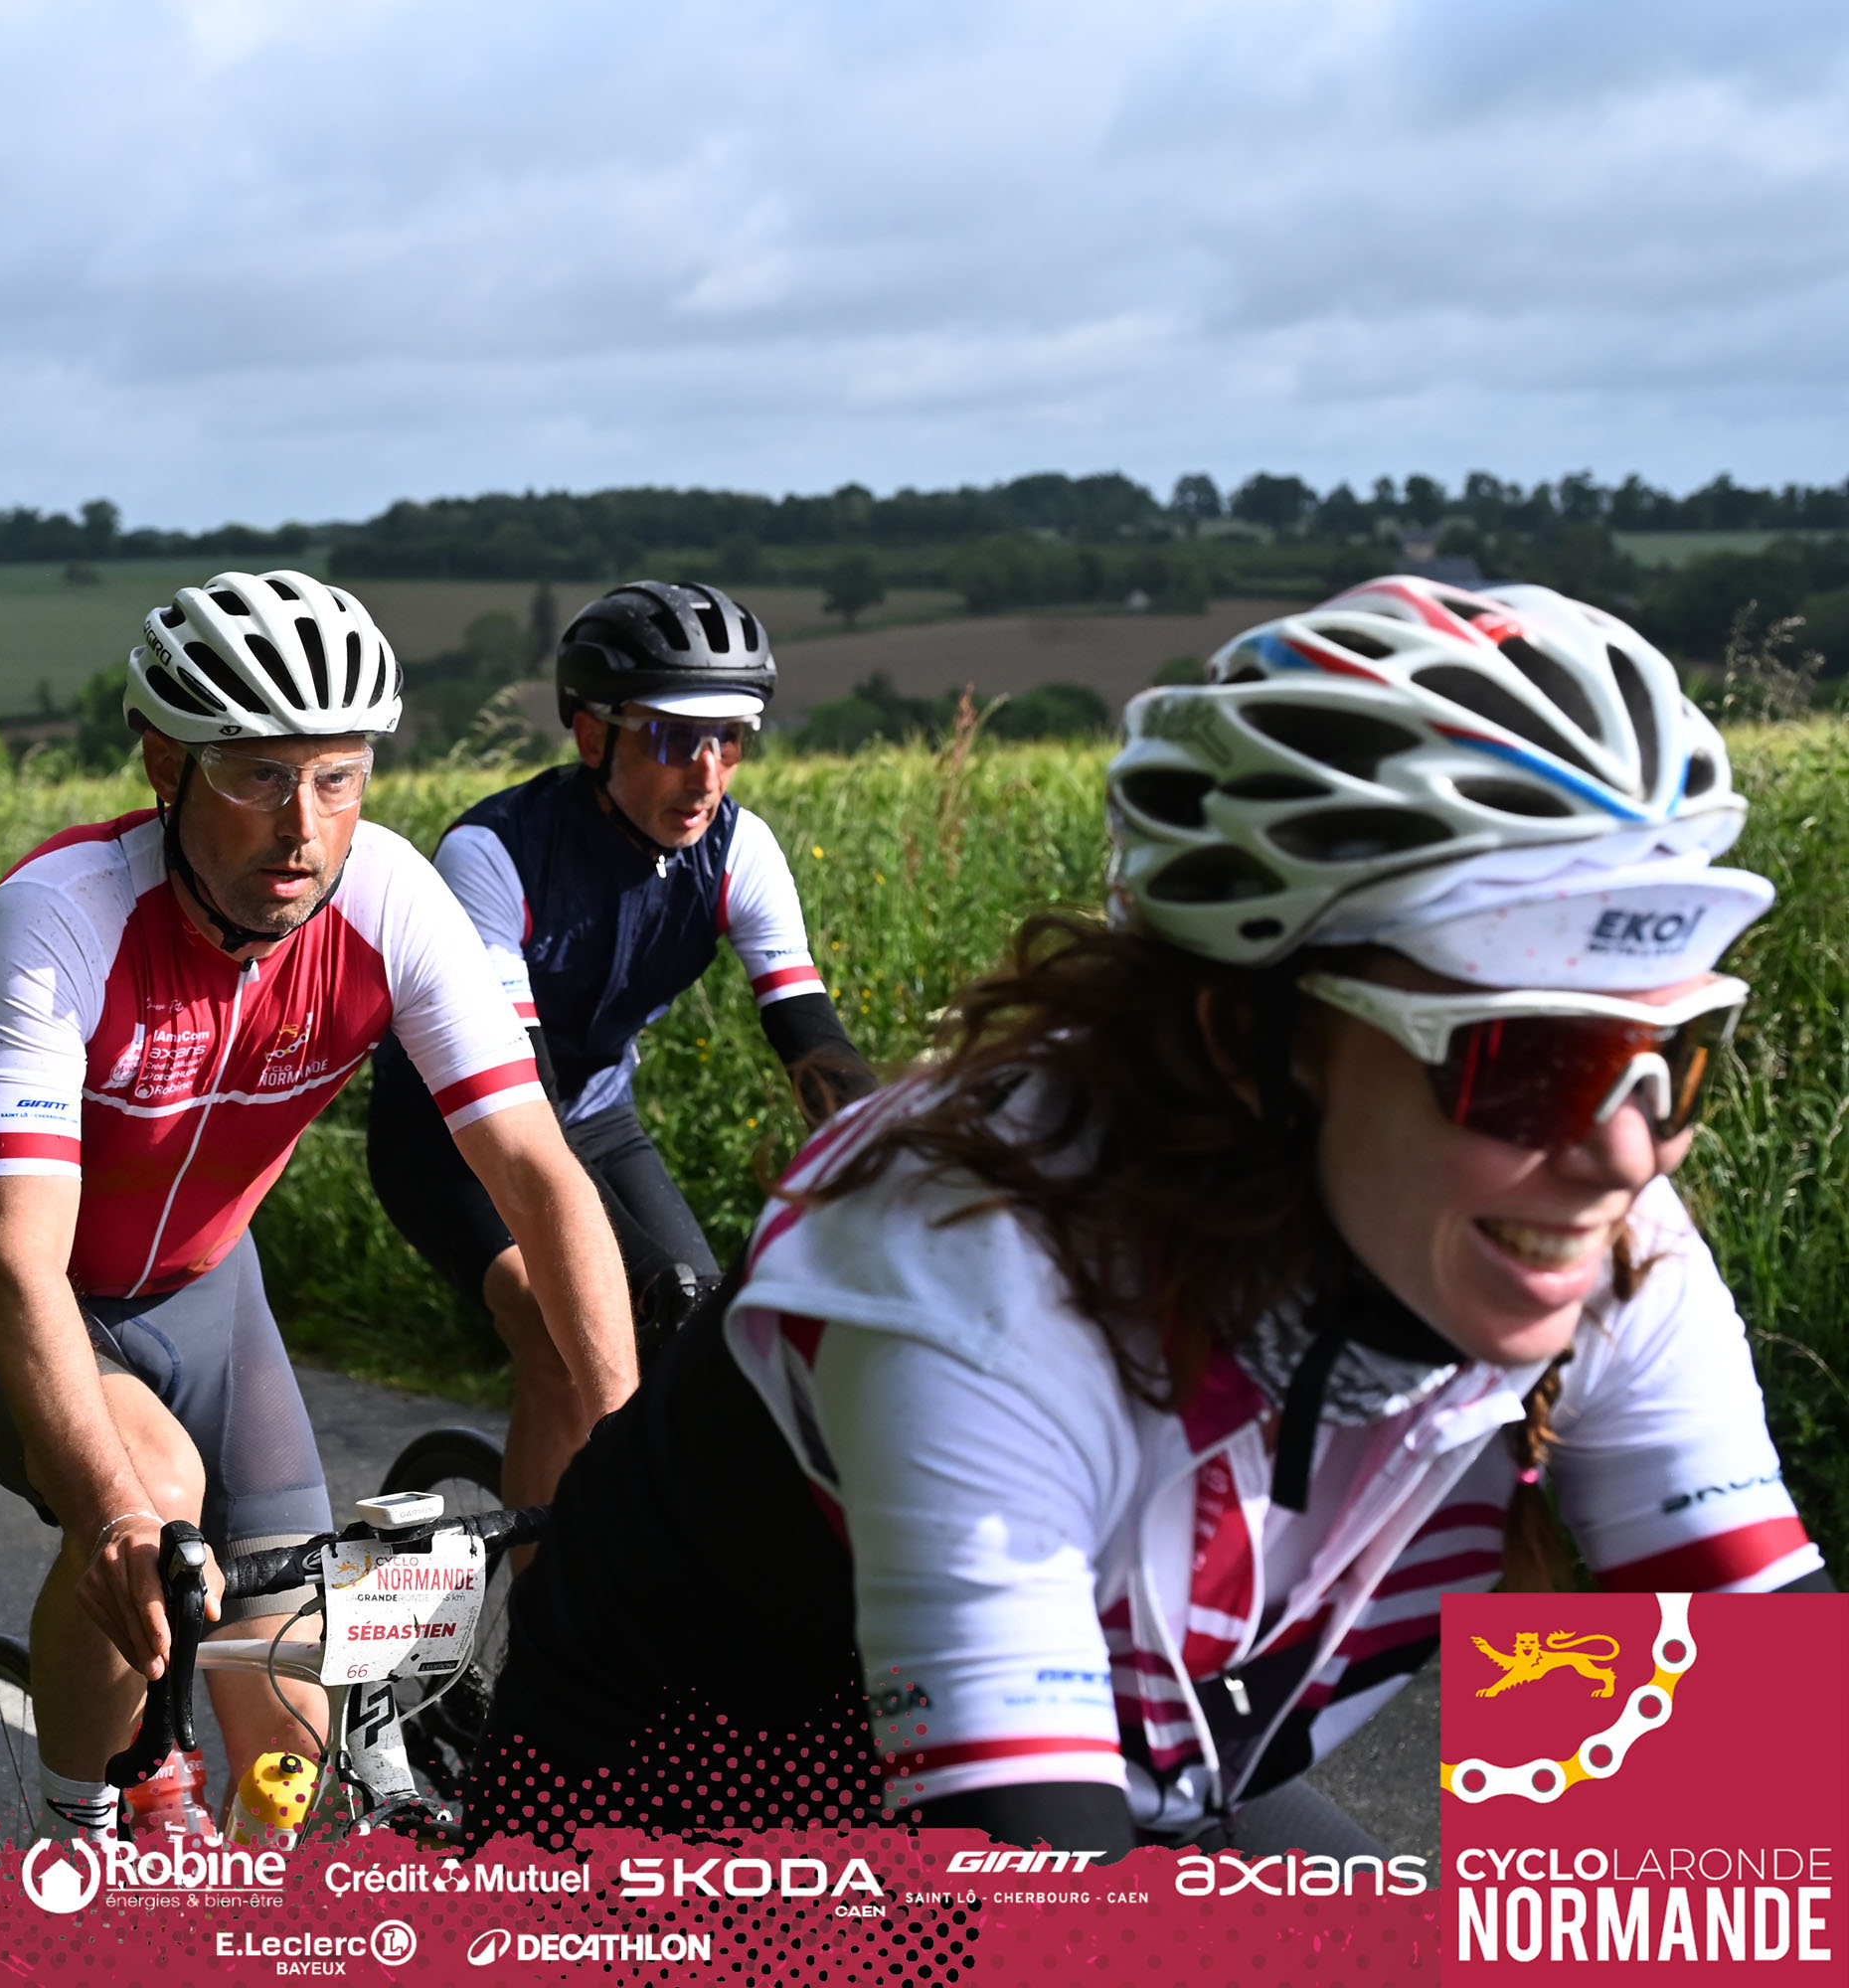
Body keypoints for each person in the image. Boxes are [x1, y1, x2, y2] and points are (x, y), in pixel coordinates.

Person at [481, 576, 1830, 1857]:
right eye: (1522, 1061)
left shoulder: (1602, 1238)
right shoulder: (983, 1269)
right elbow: (1035, 1905)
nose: (1623, 1152)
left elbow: (1761, 1798)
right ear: (1249, 1044)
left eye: (1670, 1056)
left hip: (1137, 1756)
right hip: (682, 1825)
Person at [0, 571, 633, 1840]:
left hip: (208, 1291)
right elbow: (20, 1261)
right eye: (258, 775)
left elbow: (539, 1173)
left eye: (338, 776)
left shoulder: (390, 900)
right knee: (154, 1492)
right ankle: (73, 1852)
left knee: (291, 1734)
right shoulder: (61, 916)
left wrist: (622, 1440)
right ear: (164, 766)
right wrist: (112, 1513)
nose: (303, 824)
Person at [367, 581, 872, 1481]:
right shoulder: (493, 855)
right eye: (674, 739)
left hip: (596, 1117)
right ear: (593, 737)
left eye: (729, 739)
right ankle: (544, 1573)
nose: (706, 775)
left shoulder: (739, 851)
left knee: (702, 1346)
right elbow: (524, 1102)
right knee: (565, 1342)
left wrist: (909, 1173)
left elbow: (812, 1041)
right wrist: (641, 1272)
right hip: (459, 1137)